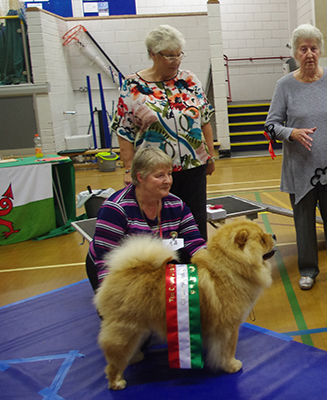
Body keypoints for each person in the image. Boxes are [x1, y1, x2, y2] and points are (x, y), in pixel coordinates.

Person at [264, 24, 327, 291]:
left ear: (320, 51)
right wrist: (292, 132)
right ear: (296, 53)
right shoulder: (285, 86)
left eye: (314, 48)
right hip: (301, 168)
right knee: (304, 224)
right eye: (303, 49)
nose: (309, 53)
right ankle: (308, 270)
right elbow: (271, 125)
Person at [110, 25, 216, 241]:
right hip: (153, 172)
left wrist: (210, 156)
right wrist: (129, 168)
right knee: (161, 227)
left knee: (195, 224)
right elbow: (124, 130)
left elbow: (204, 120)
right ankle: (163, 271)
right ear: (152, 54)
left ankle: (193, 269)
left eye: (179, 55)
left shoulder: (190, 80)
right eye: (169, 56)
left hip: (193, 167)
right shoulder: (133, 85)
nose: (176, 61)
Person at [85, 148, 206, 292]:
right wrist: (110, 297)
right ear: (140, 177)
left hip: (156, 267)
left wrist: (212, 266)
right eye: (160, 175)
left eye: (169, 174)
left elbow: (195, 242)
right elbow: (105, 260)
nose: (168, 181)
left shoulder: (177, 205)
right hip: (121, 271)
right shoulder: (115, 209)